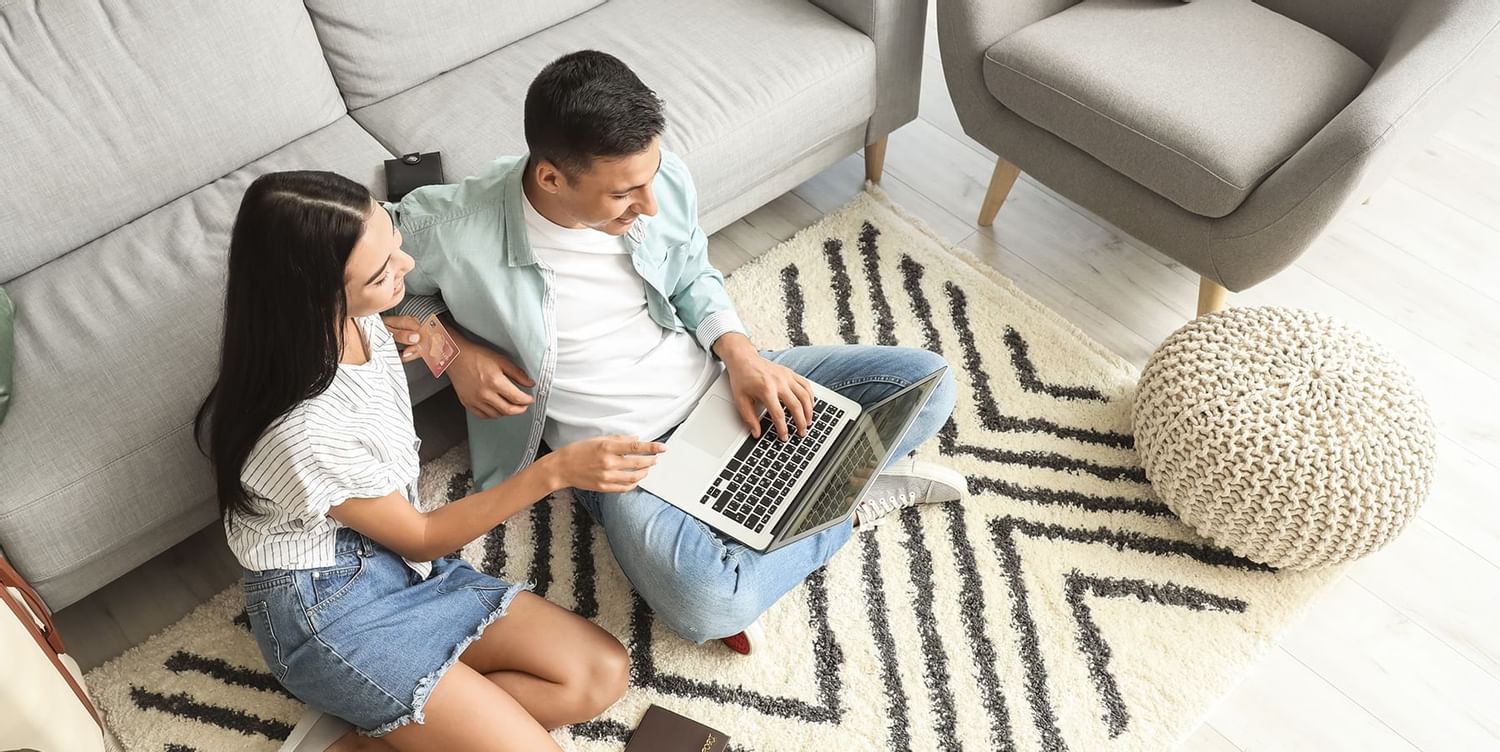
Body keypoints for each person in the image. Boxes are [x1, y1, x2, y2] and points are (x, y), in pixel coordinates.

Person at [382, 49, 966, 655]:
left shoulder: (658, 178)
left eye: (651, 178)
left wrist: (740, 354)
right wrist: (453, 352)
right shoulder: (452, 228)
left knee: (928, 384)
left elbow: (691, 275)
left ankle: (789, 517)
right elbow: (352, 283)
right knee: (707, 603)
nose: (651, 204)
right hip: (626, 461)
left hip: (719, 387)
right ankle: (847, 505)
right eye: (624, 194)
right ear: (553, 177)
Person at [196, 170, 636, 751]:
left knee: (599, 672)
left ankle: (389, 734)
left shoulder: (352, 319)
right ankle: (381, 725)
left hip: (398, 564)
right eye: (382, 272)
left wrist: (447, 350)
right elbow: (423, 536)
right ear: (318, 294)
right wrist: (554, 472)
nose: (404, 266)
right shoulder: (302, 432)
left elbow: (407, 329)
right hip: (333, 608)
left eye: (394, 242)